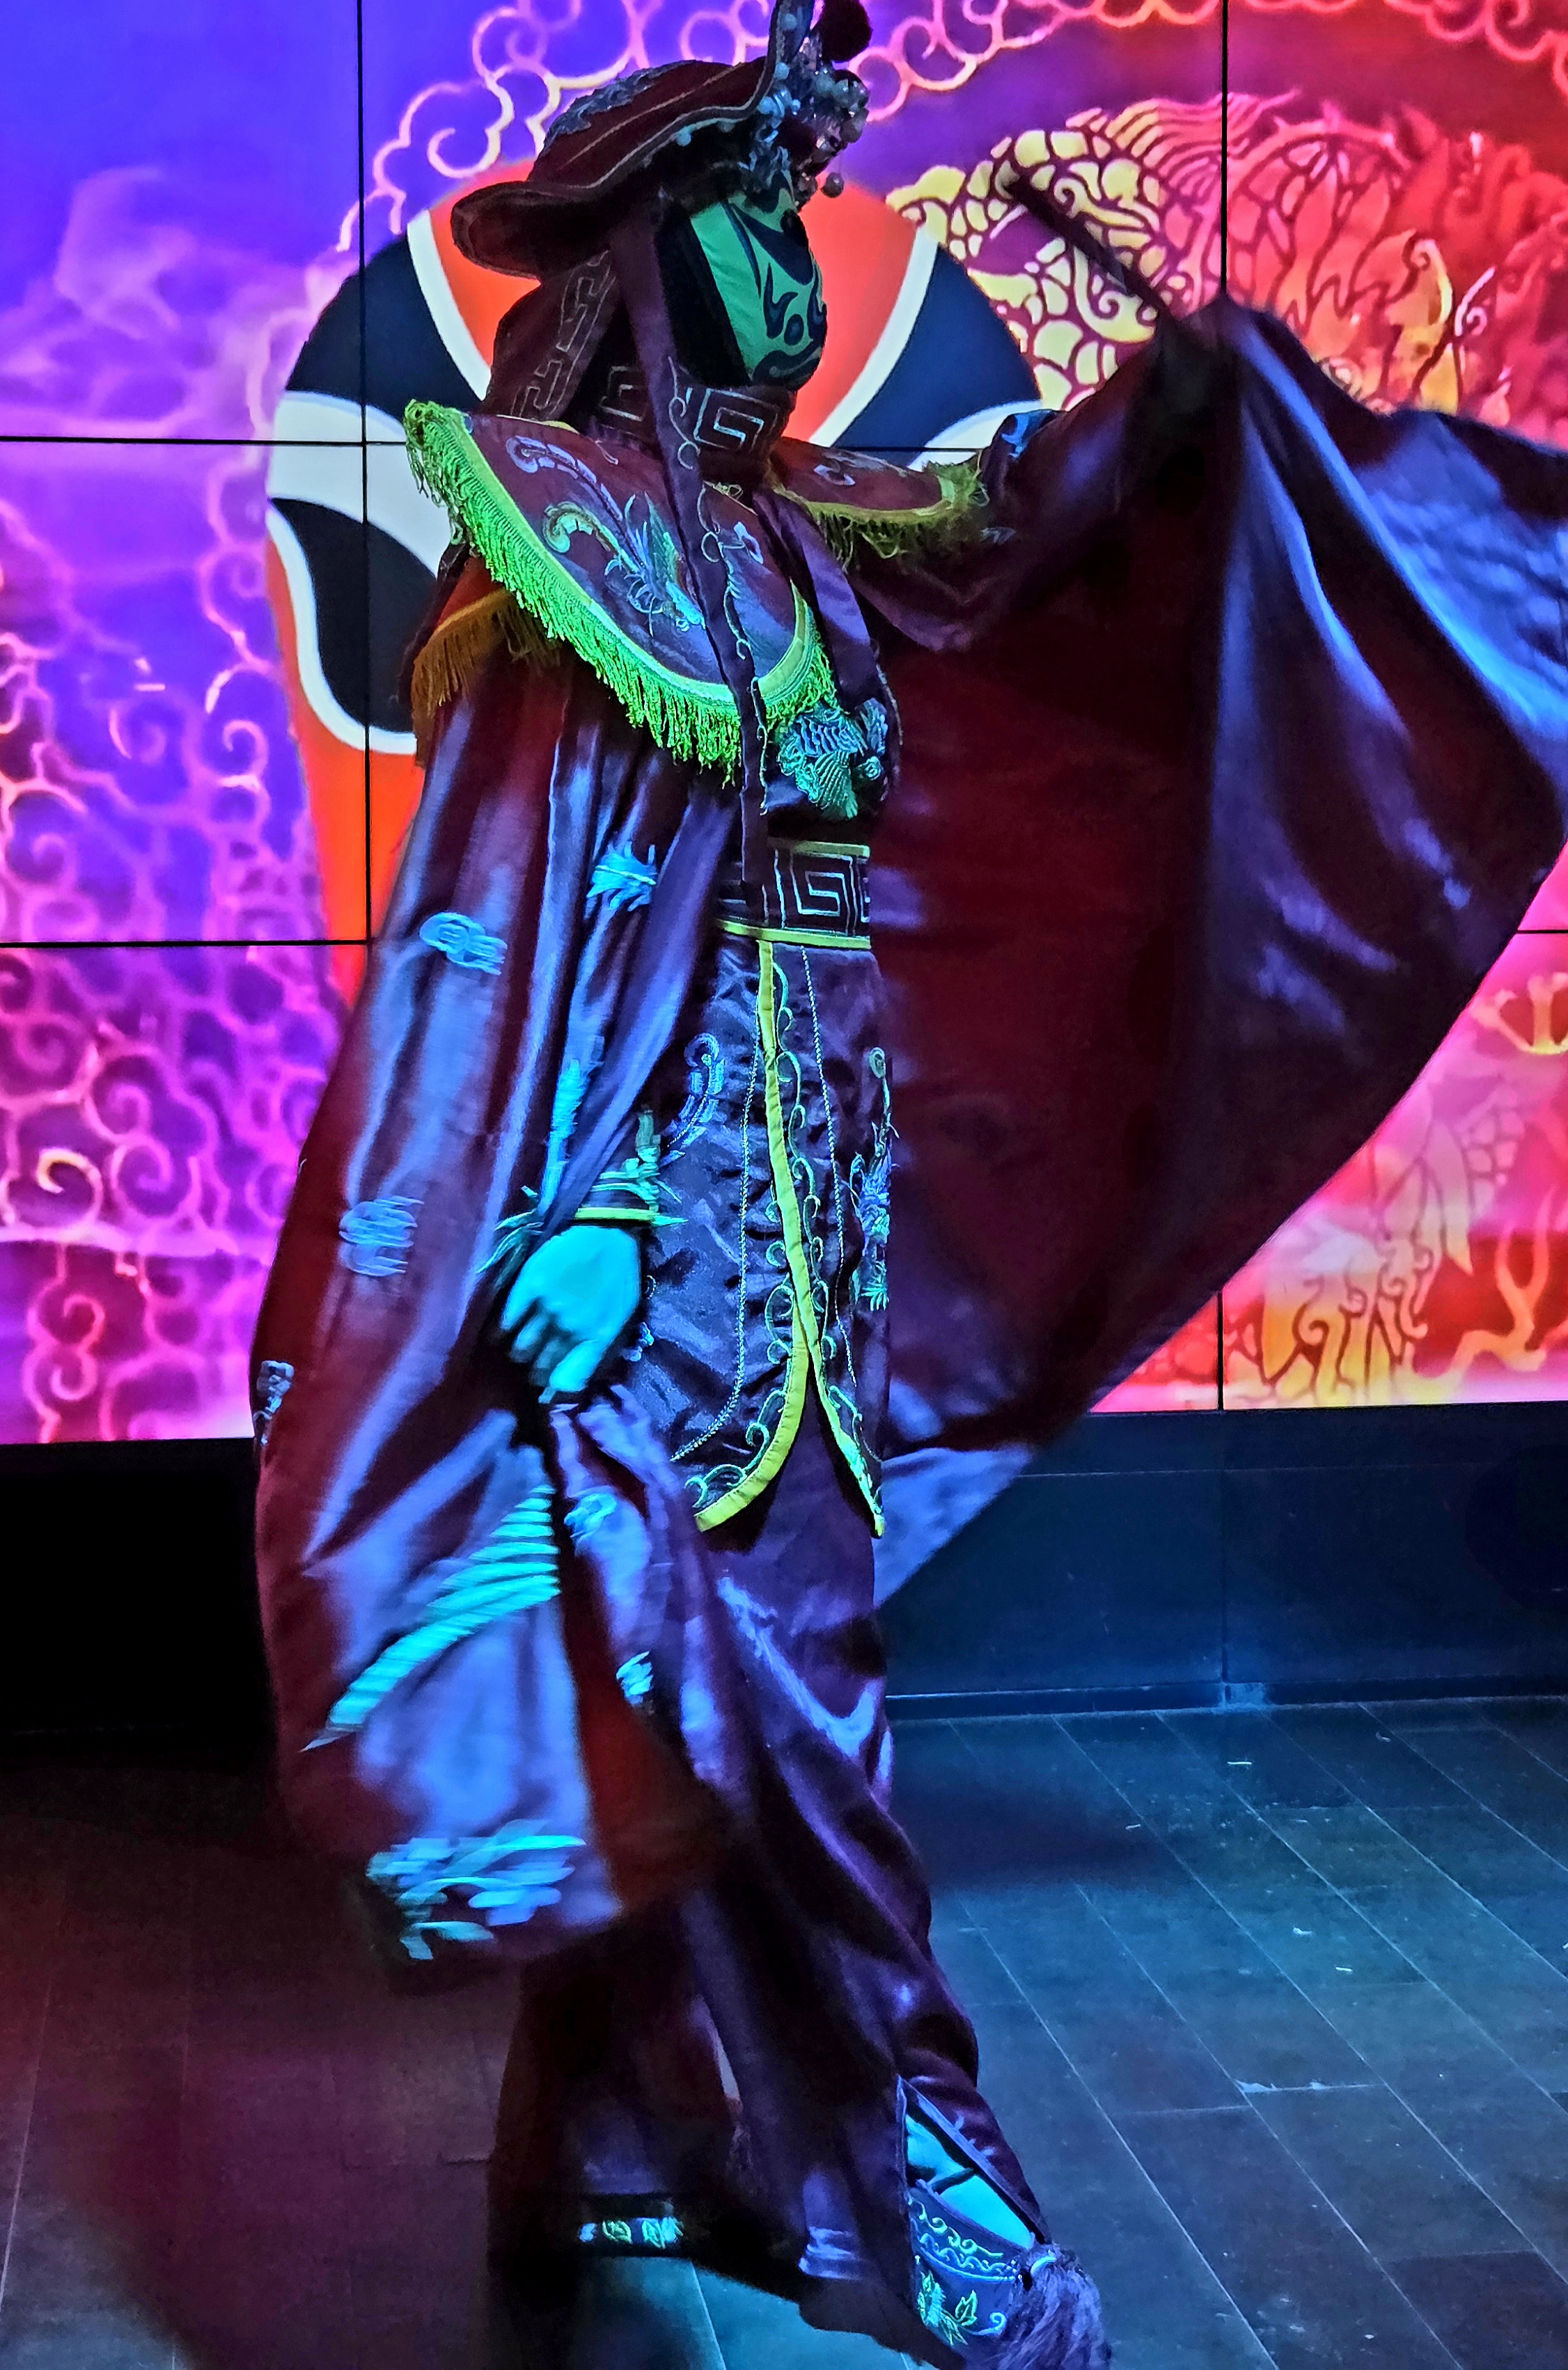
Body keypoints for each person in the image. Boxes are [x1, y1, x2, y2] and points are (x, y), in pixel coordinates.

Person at [251, 3, 1568, 2362]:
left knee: (711, 1676)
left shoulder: (791, 530)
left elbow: (1011, 542)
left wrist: (1197, 423)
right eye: (754, 231)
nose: (795, 276)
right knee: (777, 1705)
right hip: (660, 1247)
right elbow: (526, 933)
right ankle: (923, 2195)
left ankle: (610, 2152)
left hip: (817, 1213)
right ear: (652, 261)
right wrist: (593, 1210)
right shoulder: (569, 543)